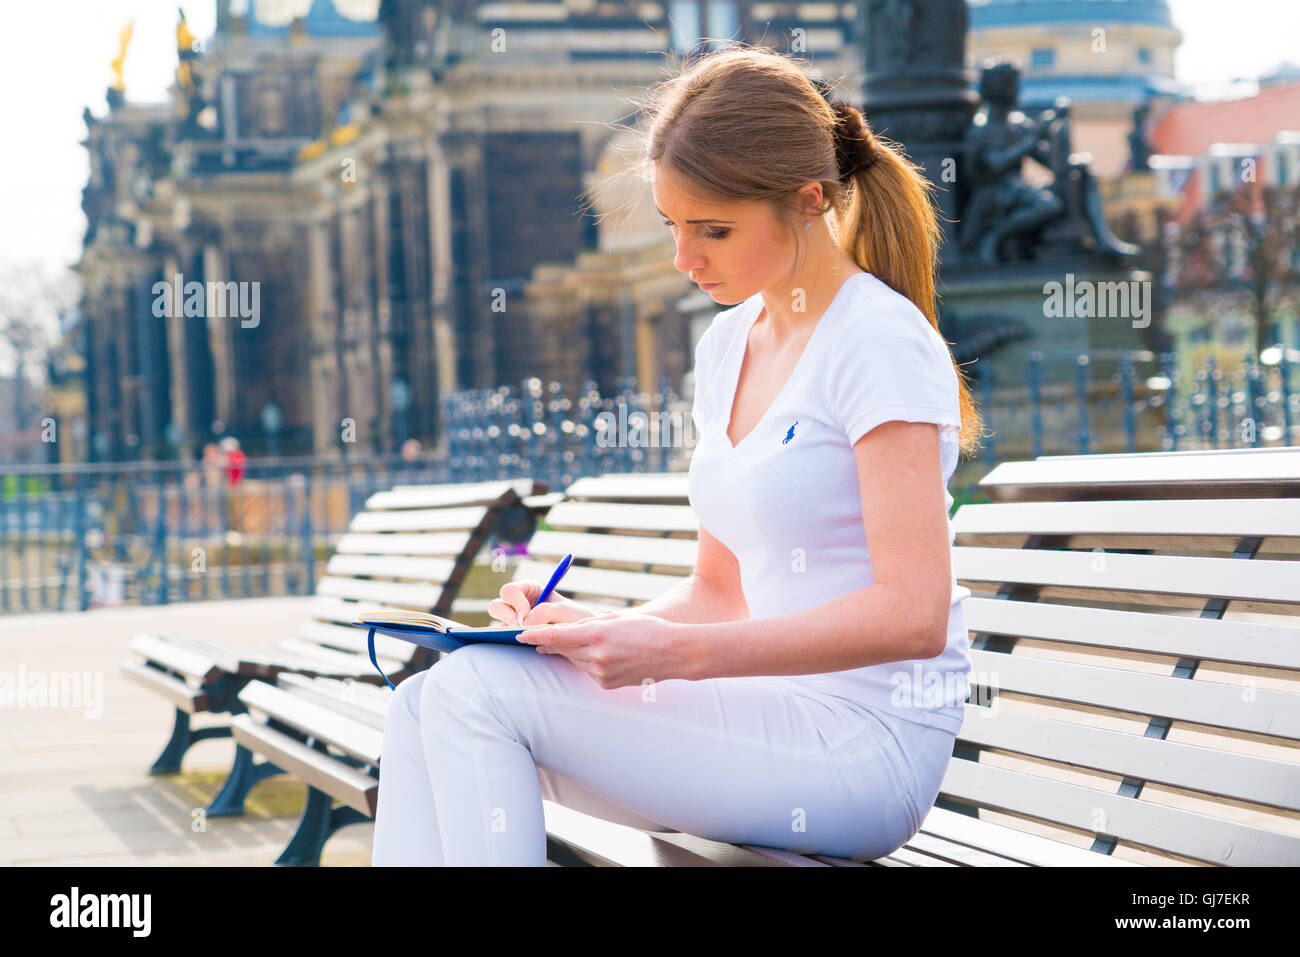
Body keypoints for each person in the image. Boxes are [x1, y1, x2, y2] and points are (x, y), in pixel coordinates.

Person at [372, 45, 985, 866]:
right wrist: (601, 631)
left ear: (808, 202)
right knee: (424, 703)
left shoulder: (877, 341)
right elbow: (719, 592)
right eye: (672, 225)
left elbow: (913, 614)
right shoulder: (730, 343)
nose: (683, 259)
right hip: (756, 717)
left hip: (863, 747)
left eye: (713, 230)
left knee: (477, 700)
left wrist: (679, 655)